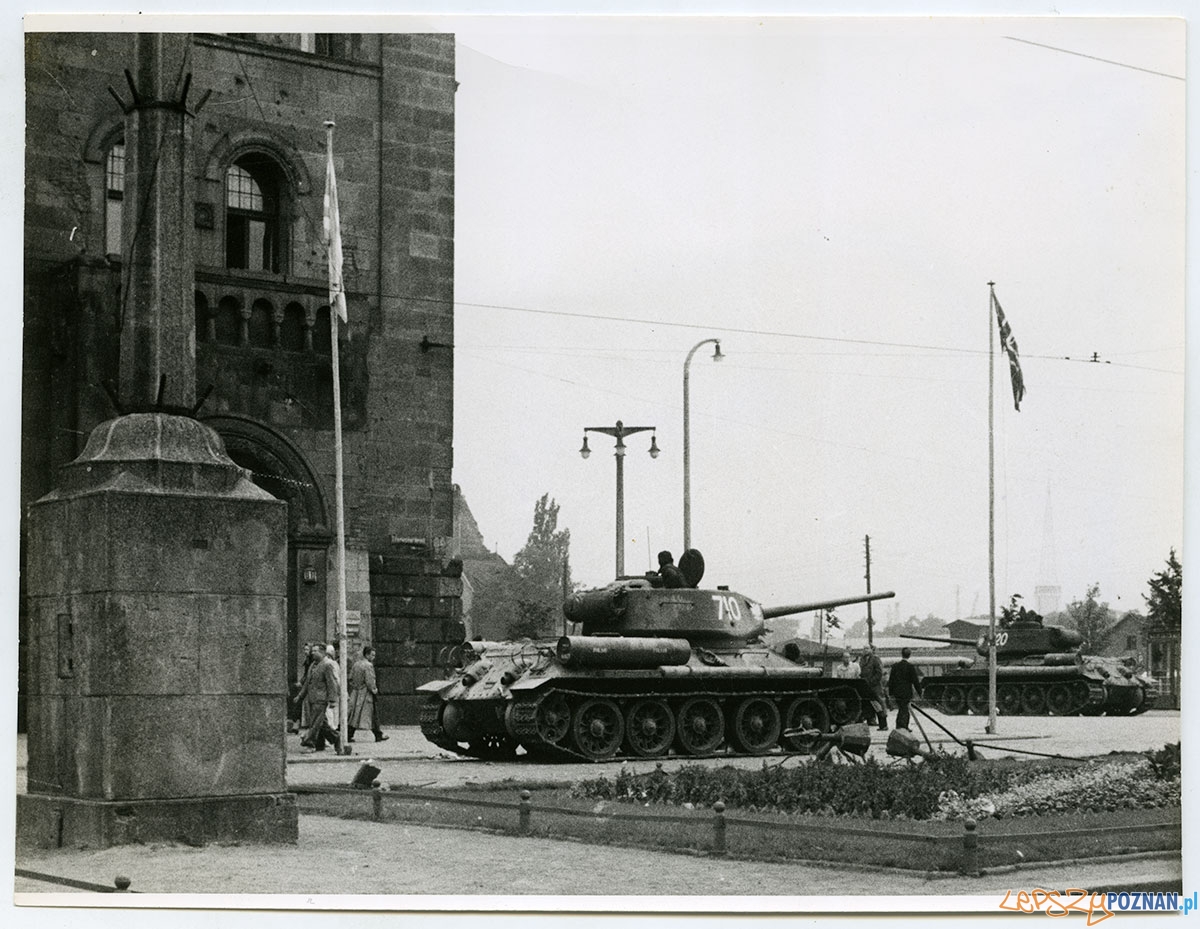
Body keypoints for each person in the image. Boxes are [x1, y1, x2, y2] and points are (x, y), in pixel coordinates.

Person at [297, 642, 343, 753]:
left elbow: (332, 683)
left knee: (315, 723)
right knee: (322, 723)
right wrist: (300, 696)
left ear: (322, 652)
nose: (312, 653)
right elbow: (307, 682)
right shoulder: (313, 665)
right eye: (312, 651)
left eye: (315, 651)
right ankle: (336, 738)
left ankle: (310, 744)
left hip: (321, 699)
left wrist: (332, 700)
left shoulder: (327, 665)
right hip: (312, 699)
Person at [348, 645, 388, 743]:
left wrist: (356, 687)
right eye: (372, 655)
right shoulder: (368, 666)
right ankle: (378, 735)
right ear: (367, 655)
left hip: (356, 692)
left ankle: (349, 734)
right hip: (366, 694)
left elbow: (350, 678)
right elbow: (370, 681)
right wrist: (374, 689)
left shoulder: (356, 664)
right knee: (373, 714)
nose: (373, 657)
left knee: (354, 714)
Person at [887, 647, 924, 731]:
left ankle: (900, 726)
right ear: (909, 655)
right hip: (906, 692)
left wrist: (891, 693)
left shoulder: (895, 666)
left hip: (897, 692)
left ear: (902, 654)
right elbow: (915, 681)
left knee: (902, 708)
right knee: (904, 709)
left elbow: (891, 680)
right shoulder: (910, 667)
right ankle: (902, 727)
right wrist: (920, 692)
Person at [858, 645, 888, 730]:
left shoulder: (875, 659)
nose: (865, 650)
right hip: (865, 686)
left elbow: (879, 673)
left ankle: (883, 724)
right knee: (866, 704)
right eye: (864, 648)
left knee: (878, 704)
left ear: (871, 650)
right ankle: (870, 720)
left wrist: (871, 682)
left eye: (867, 648)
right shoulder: (862, 660)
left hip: (875, 686)